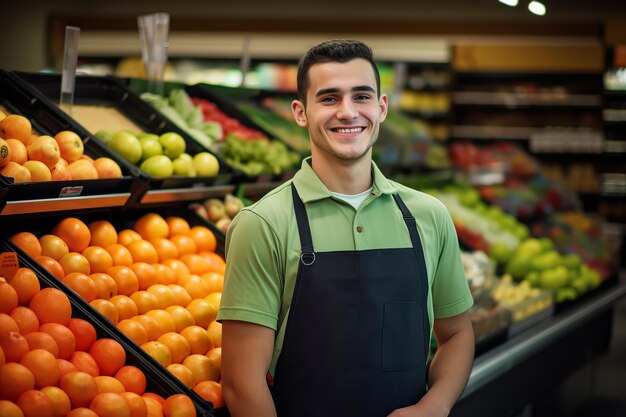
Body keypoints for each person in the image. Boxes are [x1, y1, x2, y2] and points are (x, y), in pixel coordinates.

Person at [217, 39, 475, 417]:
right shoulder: (263, 224)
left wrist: (433, 407)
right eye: (329, 99)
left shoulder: (429, 216)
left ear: (381, 107)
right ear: (301, 112)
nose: (347, 112)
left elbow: (456, 335)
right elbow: (241, 383)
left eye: (361, 96)